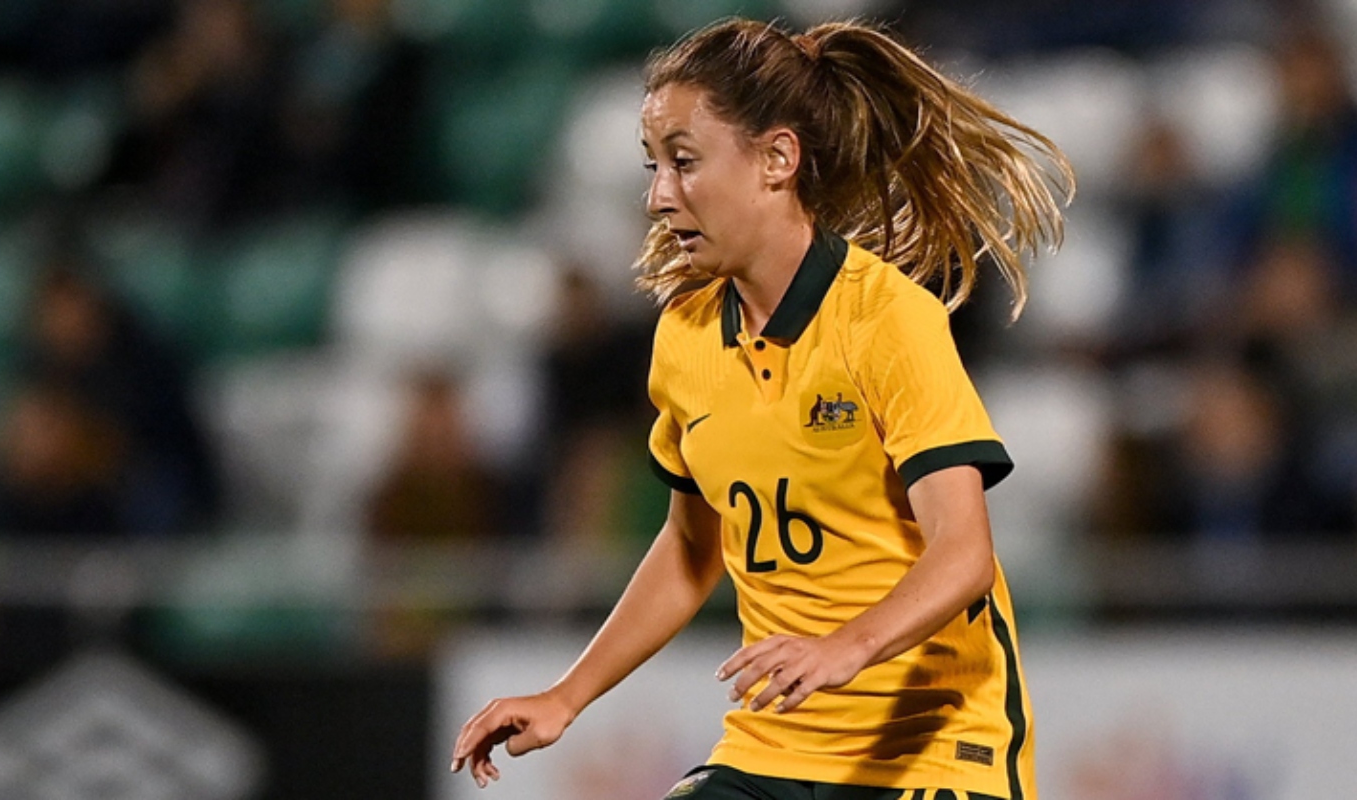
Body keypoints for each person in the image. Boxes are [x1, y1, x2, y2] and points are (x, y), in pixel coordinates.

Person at [452, 17, 1071, 800]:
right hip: (776, 746)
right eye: (652, 166)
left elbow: (963, 552)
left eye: (683, 162)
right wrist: (565, 696)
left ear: (777, 159)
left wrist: (845, 647)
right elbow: (690, 548)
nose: (658, 196)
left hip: (935, 747)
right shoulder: (684, 336)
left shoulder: (885, 319)